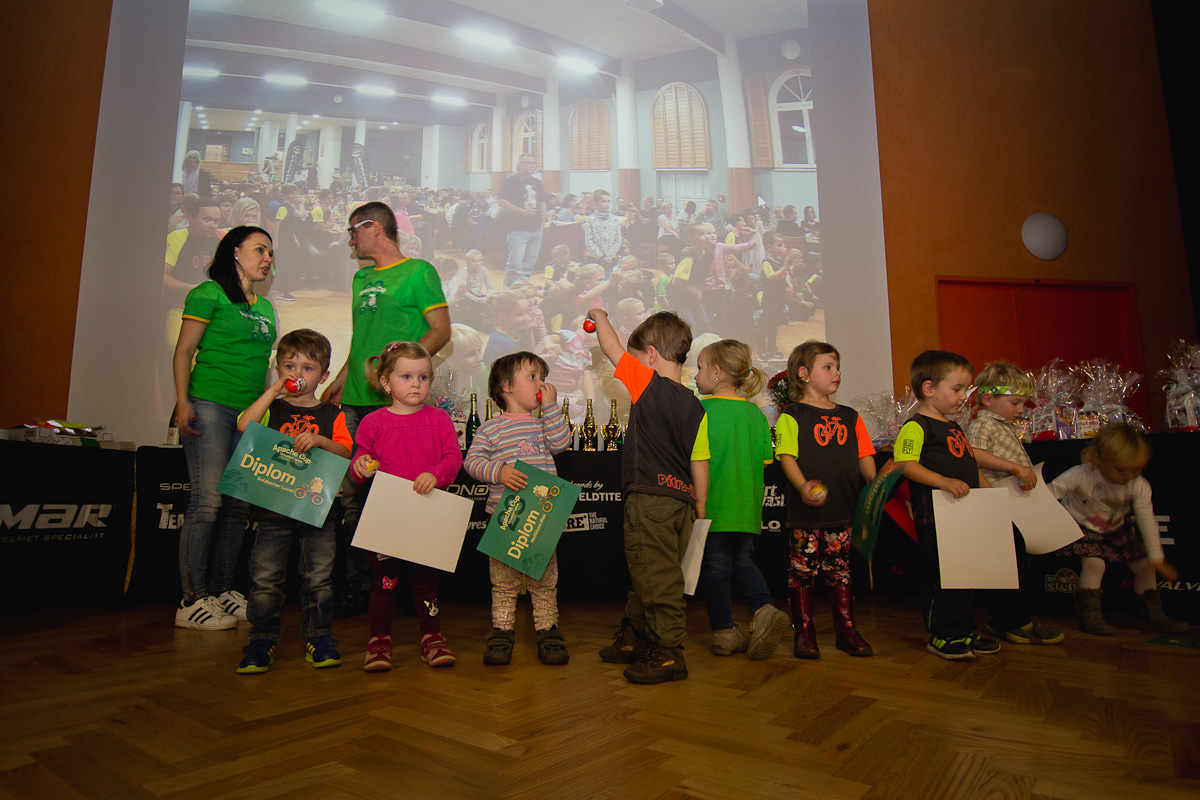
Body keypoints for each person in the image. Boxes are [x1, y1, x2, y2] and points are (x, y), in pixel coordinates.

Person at [321, 201, 451, 615]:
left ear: (374, 227)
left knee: (404, 494)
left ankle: (411, 588)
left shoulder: (419, 272)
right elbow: (363, 336)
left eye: (353, 230)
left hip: (398, 407)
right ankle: (362, 585)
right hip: (356, 402)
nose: (350, 239)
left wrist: (404, 369)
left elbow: (441, 330)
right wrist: (342, 377)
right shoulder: (361, 278)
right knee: (354, 499)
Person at [589, 309, 709, 684]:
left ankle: (668, 652)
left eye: (636, 356)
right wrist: (699, 503)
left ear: (651, 355)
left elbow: (610, 345)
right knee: (650, 573)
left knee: (658, 582)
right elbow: (700, 458)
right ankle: (635, 638)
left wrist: (599, 314)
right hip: (682, 503)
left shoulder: (648, 383)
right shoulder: (695, 404)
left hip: (650, 500)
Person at [171, 226, 277, 629]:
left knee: (236, 506)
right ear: (235, 251)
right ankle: (191, 600)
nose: (267, 258)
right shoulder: (208, 294)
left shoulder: (265, 307)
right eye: (259, 250)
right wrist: (183, 402)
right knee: (207, 502)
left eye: (270, 253)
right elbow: (184, 351)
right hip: (210, 405)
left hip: (248, 416)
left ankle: (220, 592)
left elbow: (262, 366)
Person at [234, 329, 353, 673]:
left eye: (307, 368)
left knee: (319, 577)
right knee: (265, 577)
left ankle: (319, 635)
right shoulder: (272, 406)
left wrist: (321, 440)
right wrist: (273, 391)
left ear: (324, 376)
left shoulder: (332, 414)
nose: (297, 374)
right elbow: (244, 425)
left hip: (317, 509)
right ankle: (261, 638)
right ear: (278, 369)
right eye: (289, 365)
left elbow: (345, 451)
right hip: (272, 507)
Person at [349, 342, 463, 670]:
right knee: (384, 582)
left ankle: (432, 637)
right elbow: (360, 462)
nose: (416, 384)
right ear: (385, 382)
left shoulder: (439, 419)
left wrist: (436, 474)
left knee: (426, 582)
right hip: (386, 516)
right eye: (406, 376)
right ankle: (379, 640)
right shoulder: (372, 423)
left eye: (423, 377)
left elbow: (453, 458)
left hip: (426, 514)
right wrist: (361, 466)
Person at [464, 352, 574, 666]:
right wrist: (499, 472)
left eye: (543, 377)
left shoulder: (543, 425)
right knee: (503, 581)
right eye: (533, 377)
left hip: (542, 518)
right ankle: (501, 632)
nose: (541, 384)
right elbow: (472, 462)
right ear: (506, 386)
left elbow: (561, 443)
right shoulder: (491, 429)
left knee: (544, 580)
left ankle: (548, 631)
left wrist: (551, 407)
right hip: (506, 519)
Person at [893, 350, 1002, 660]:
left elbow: (969, 465)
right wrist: (942, 481)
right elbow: (904, 463)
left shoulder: (954, 427)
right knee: (941, 578)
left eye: (966, 389)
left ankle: (963, 629)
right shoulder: (917, 426)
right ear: (928, 388)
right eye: (957, 389)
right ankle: (942, 635)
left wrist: (990, 495)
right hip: (936, 517)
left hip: (964, 517)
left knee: (965, 575)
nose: (964, 396)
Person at [775, 341, 877, 658]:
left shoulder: (850, 416)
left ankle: (846, 631)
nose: (837, 373)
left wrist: (875, 481)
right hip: (806, 514)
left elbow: (864, 456)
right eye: (828, 367)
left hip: (842, 510)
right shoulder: (793, 415)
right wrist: (803, 486)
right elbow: (786, 457)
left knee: (840, 570)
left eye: (838, 367)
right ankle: (804, 633)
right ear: (803, 374)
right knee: (802, 571)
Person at [693, 340, 789, 659]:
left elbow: (695, 458)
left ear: (717, 372)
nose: (695, 375)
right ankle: (764, 609)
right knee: (744, 561)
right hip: (746, 509)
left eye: (700, 368)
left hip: (713, 506)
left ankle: (724, 632)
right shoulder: (755, 414)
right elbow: (765, 461)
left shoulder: (701, 411)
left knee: (716, 567)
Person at [1050, 423, 1187, 635]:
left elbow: (1146, 518)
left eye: (1137, 469)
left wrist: (1156, 558)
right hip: (1081, 528)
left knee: (1145, 565)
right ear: (1098, 458)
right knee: (1095, 565)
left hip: (1116, 529)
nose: (1129, 476)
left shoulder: (1139, 485)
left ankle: (1150, 615)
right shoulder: (1080, 474)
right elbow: (1050, 493)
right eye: (1121, 470)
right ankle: (1089, 614)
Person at [966, 361, 1064, 645]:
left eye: (1024, 403)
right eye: (1015, 402)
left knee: (1013, 565)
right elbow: (974, 455)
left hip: (1009, 506)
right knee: (1010, 567)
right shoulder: (983, 424)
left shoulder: (1003, 426)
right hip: (994, 506)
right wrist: (1015, 468)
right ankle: (1016, 622)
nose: (1022, 409)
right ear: (988, 399)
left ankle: (1003, 618)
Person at [498, 153, 547, 287]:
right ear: (520, 165)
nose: (532, 165)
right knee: (515, 264)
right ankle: (510, 291)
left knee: (529, 264)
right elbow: (501, 201)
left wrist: (542, 224)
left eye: (533, 163)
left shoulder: (537, 182)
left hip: (536, 229)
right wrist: (522, 212)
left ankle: (523, 289)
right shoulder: (510, 181)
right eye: (528, 162)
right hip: (517, 229)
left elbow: (543, 203)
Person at [582, 189, 622, 271]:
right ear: (595, 203)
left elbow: (617, 240)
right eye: (603, 201)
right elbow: (589, 241)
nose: (607, 204)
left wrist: (608, 256)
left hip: (610, 259)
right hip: (595, 259)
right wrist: (601, 257)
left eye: (608, 201)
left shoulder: (615, 219)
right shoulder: (590, 220)